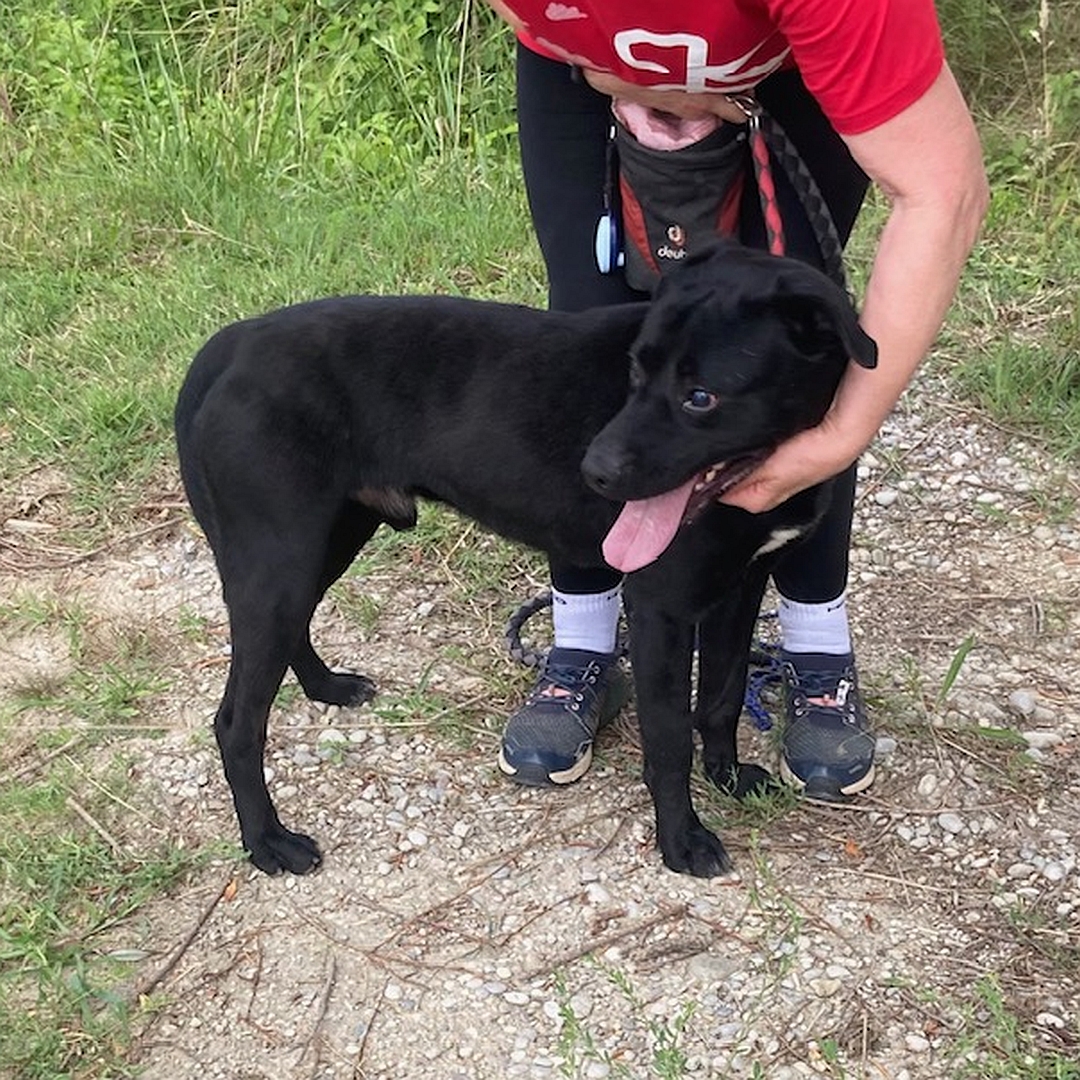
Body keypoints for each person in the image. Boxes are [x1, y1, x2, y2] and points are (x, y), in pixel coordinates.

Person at [489, 0, 989, 799]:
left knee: (793, 367)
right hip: (580, 76)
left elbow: (941, 192)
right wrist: (614, 73)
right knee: (597, 332)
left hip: (787, 74)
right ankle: (583, 633)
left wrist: (844, 430)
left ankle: (816, 638)